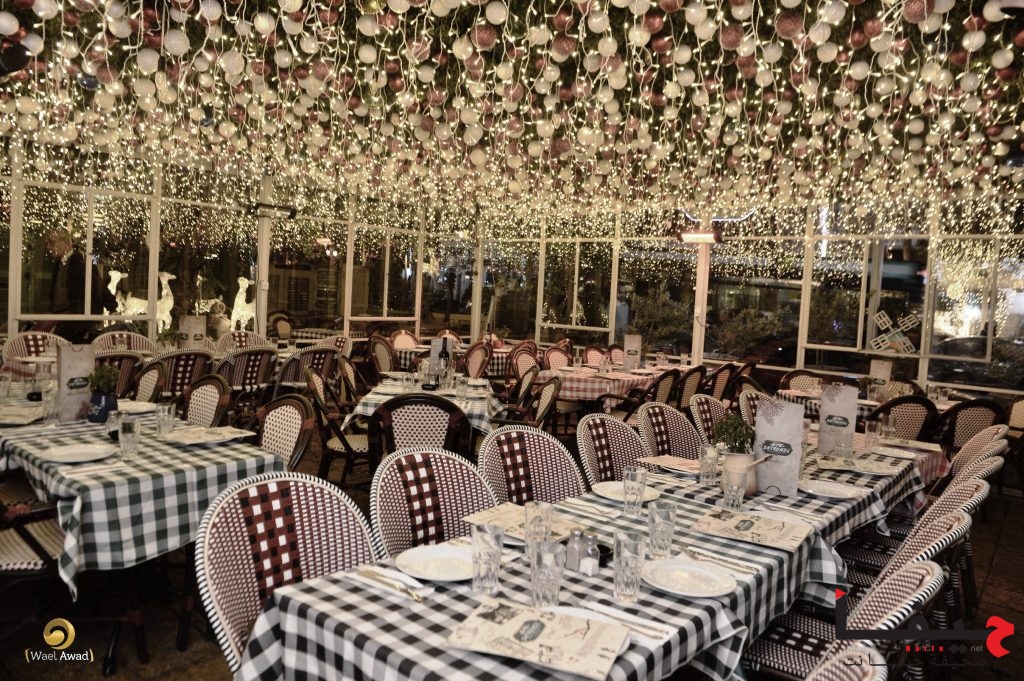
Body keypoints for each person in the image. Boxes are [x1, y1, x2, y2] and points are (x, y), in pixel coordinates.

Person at [46, 228, 115, 343]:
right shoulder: (59, 263)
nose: (49, 247)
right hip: (62, 318)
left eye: (52, 243)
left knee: (59, 346)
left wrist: (112, 307)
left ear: (65, 243)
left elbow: (98, 286)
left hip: (76, 321)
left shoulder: (81, 263)